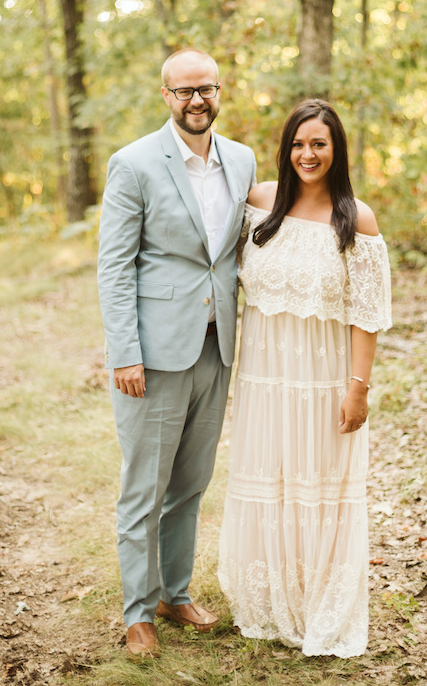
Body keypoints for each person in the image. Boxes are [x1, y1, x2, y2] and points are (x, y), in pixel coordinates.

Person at [217, 98, 392, 657]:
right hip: (263, 379)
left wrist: (358, 389)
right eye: (297, 143)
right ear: (284, 148)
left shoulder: (355, 218)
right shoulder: (259, 203)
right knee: (271, 483)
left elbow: (366, 315)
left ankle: (321, 605)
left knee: (322, 490)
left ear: (336, 149)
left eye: (318, 143)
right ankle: (270, 603)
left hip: (324, 381)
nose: (307, 154)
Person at [97, 48, 257, 658]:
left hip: (217, 348)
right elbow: (115, 268)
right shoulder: (134, 163)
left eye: (206, 89)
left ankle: (176, 593)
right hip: (154, 354)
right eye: (184, 90)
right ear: (166, 95)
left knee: (191, 484)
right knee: (144, 487)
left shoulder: (240, 160)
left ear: (221, 91)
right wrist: (124, 354)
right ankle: (138, 612)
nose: (197, 100)